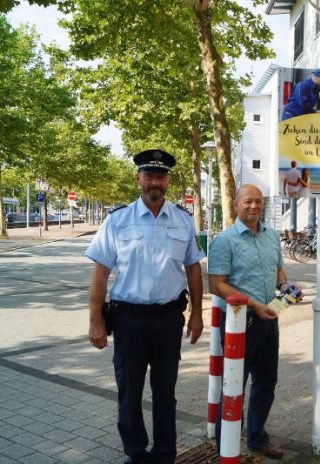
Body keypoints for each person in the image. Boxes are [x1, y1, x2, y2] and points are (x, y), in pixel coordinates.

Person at [86, 149, 205, 464]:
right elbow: (100, 273)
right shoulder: (117, 220)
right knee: (130, 393)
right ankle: (135, 454)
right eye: (149, 175)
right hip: (129, 321)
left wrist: (197, 314)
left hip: (168, 321)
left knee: (166, 393)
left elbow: (193, 268)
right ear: (138, 179)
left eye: (161, 176)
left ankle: (165, 454)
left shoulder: (182, 220)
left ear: (168, 181)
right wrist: (95, 321)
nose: (156, 181)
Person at [208, 183, 300, 460]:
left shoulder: (272, 236)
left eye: (258, 202)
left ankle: (257, 438)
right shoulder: (225, 241)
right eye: (248, 201)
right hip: (239, 324)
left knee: (266, 382)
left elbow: (279, 270)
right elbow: (216, 285)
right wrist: (254, 305)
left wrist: (286, 287)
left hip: (268, 319)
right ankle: (227, 443)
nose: (254, 206)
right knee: (234, 384)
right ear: (236, 204)